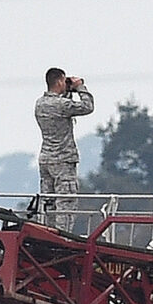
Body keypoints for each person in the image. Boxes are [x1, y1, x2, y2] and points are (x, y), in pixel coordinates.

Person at [35, 67, 94, 232]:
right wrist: (80, 87)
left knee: (48, 202)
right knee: (65, 203)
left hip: (46, 158)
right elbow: (87, 106)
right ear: (60, 81)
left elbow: (62, 108)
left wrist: (67, 91)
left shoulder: (40, 104)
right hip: (63, 160)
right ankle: (63, 237)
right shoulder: (62, 104)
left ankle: (44, 234)